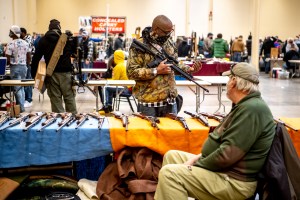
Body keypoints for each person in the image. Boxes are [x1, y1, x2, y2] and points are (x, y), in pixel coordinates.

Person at [154, 62, 276, 200]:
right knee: (172, 156)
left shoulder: (252, 110)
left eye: (229, 79)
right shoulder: (246, 105)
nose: (227, 83)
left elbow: (227, 155)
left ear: (234, 82)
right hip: (226, 171)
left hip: (234, 181)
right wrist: (198, 158)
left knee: (170, 175)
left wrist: (197, 165)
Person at [126, 15, 201, 117]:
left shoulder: (169, 43)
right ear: (156, 29)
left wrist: (190, 69)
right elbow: (131, 72)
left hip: (170, 101)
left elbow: (174, 64)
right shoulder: (139, 45)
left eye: (170, 32)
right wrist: (156, 71)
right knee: (149, 133)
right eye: (166, 32)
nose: (168, 35)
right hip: (148, 102)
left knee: (171, 132)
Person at [31, 19, 77, 114]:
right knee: (69, 97)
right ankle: (73, 120)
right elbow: (75, 53)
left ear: (49, 28)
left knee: (55, 100)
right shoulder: (66, 39)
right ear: (59, 28)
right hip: (66, 74)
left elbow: (36, 58)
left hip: (51, 74)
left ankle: (59, 122)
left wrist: (34, 75)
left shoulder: (43, 40)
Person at [5, 25, 31, 113]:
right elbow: (29, 56)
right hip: (24, 67)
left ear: (13, 33)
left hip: (15, 68)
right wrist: (26, 65)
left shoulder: (10, 44)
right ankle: (22, 105)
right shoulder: (25, 43)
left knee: (17, 88)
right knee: (21, 87)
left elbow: (7, 58)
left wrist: (8, 65)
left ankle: (21, 109)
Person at [20, 27, 34, 108]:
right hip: (23, 63)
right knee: (23, 81)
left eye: (20, 33)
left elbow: (28, 52)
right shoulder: (23, 40)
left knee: (27, 81)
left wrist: (28, 64)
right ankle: (25, 99)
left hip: (27, 63)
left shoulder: (28, 40)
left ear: (24, 33)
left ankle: (29, 99)